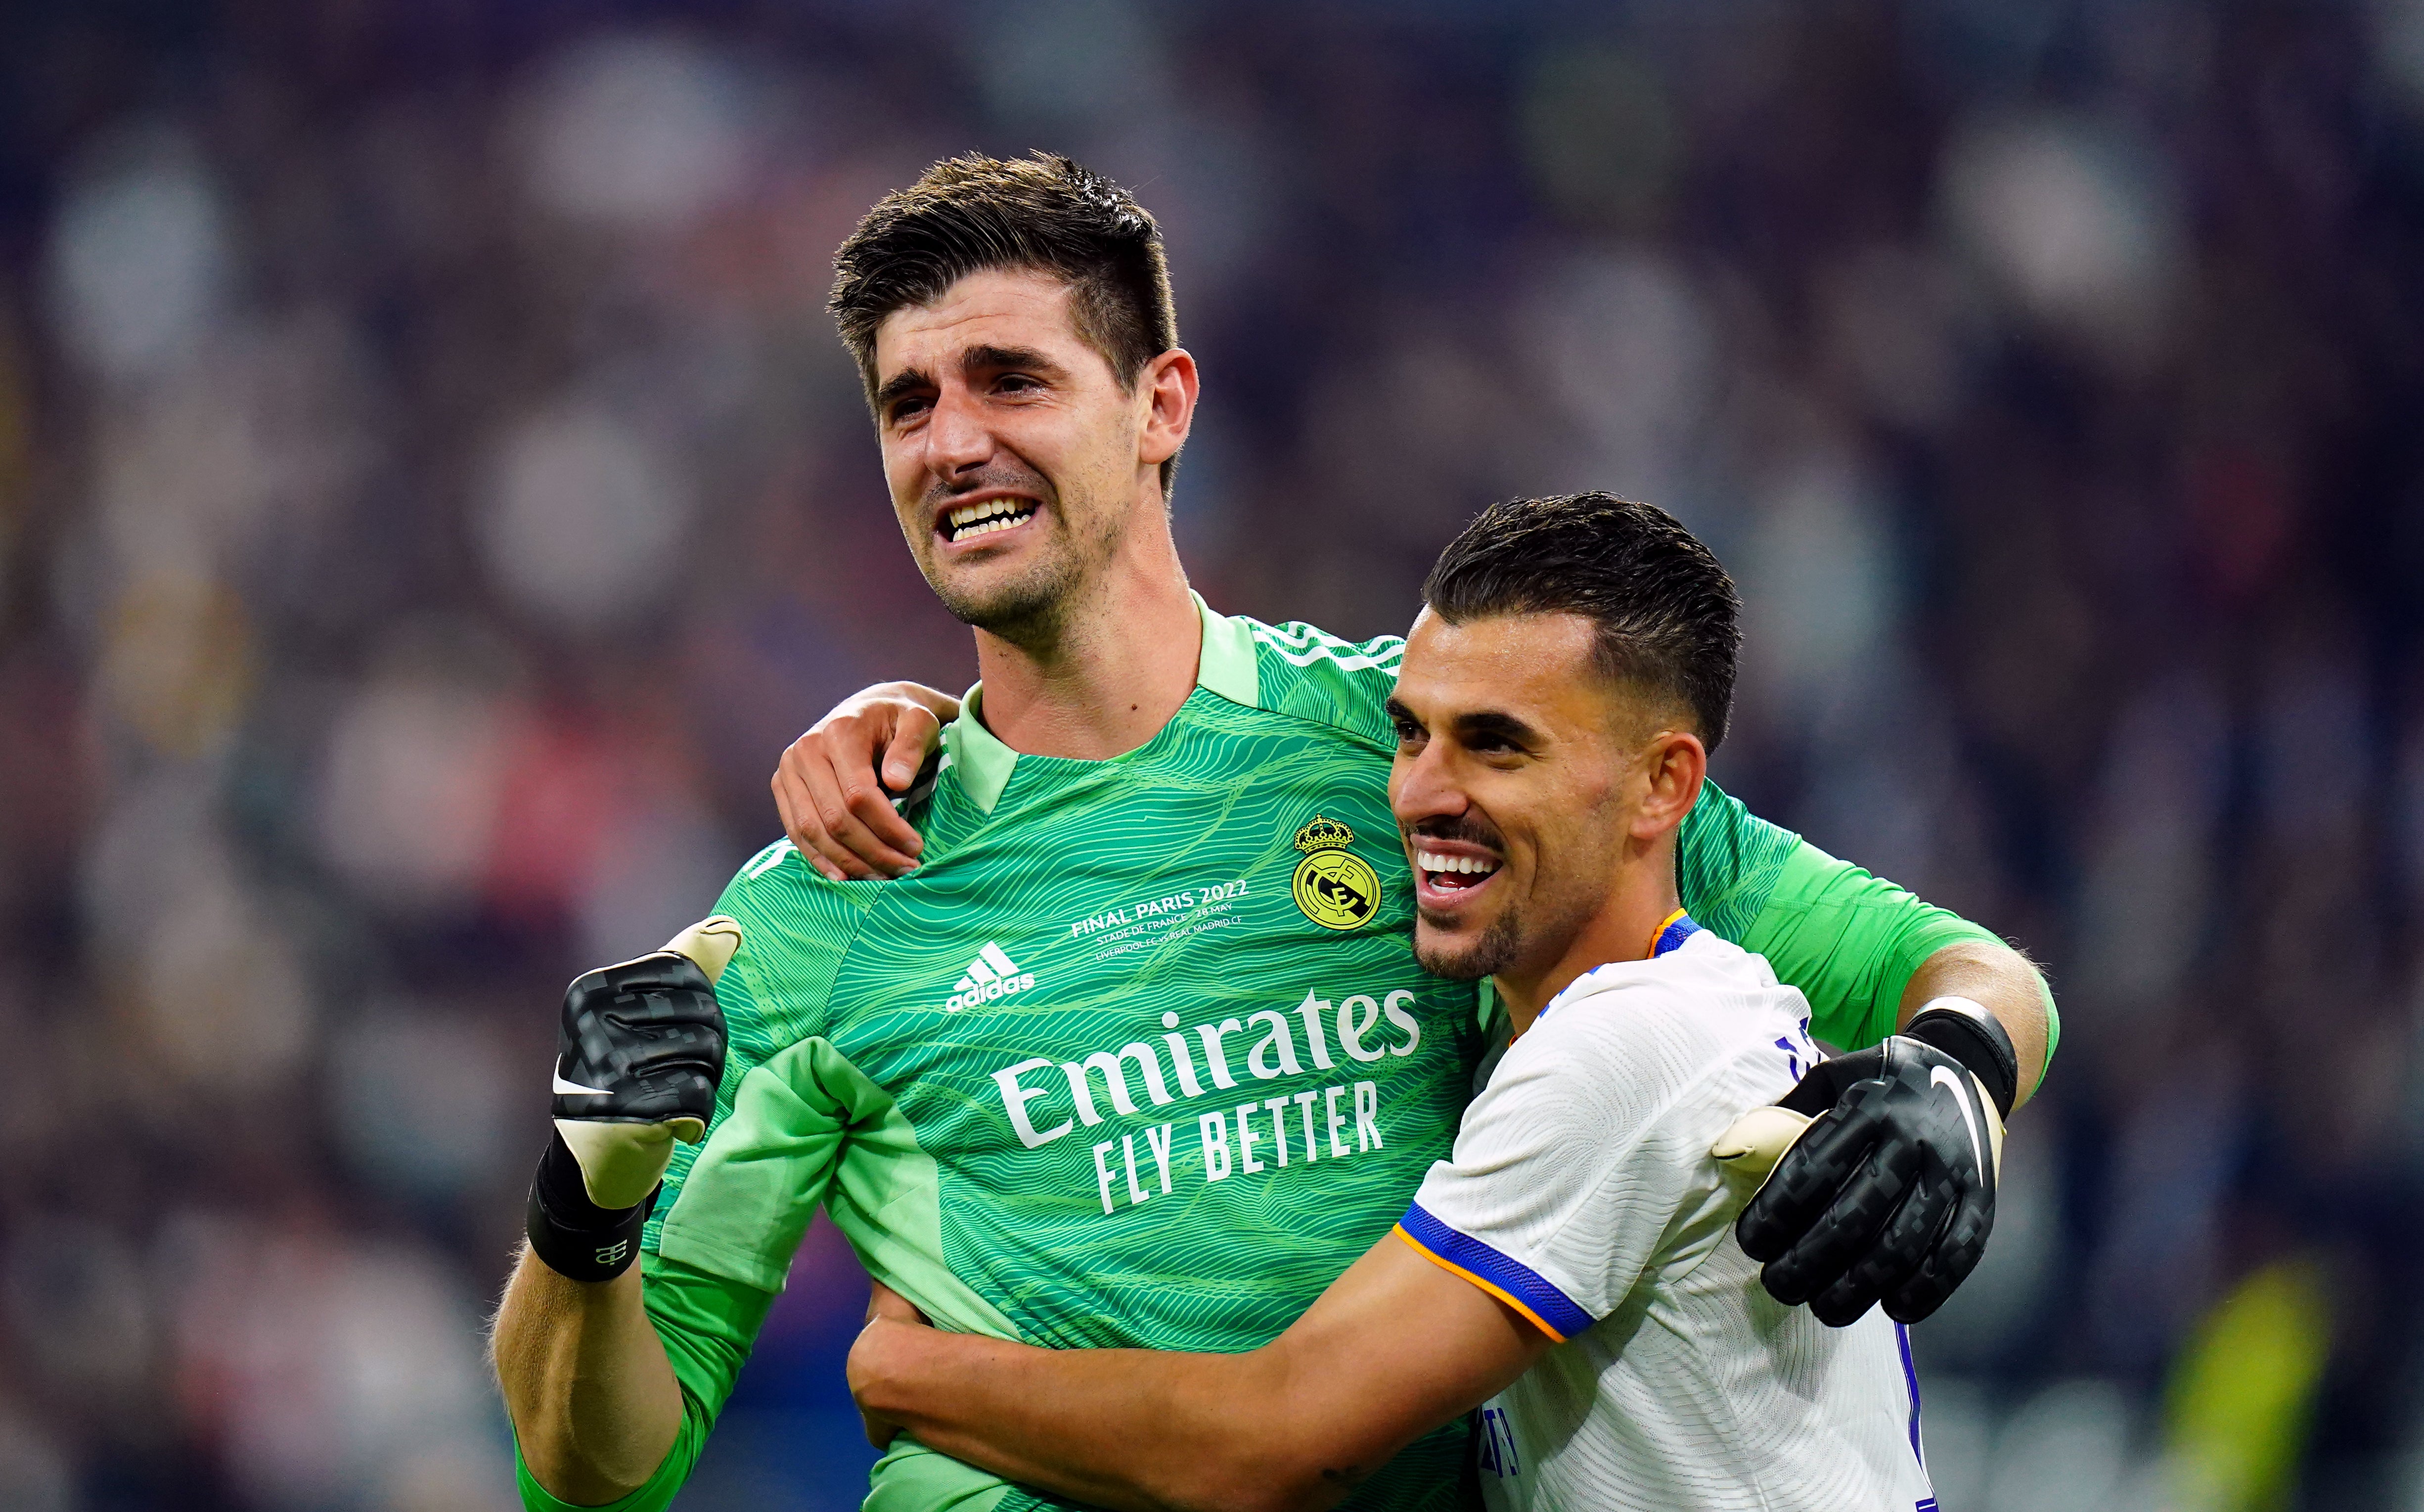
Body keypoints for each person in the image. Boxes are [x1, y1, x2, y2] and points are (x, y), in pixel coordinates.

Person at [491, 153, 2048, 1512]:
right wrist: (586, 1214)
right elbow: (601, 1468)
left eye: (1010, 382)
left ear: (1161, 403)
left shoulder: (1429, 766)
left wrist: (1951, 1075)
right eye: (908, 404)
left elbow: (1955, 966)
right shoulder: (829, 896)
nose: (949, 441)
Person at [845, 491, 1965, 1512]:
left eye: (1496, 746)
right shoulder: (1628, 1019)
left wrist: (910, 1367)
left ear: (1663, 785)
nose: (1423, 793)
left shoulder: (1629, 1044)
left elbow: (1270, 1441)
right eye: (1409, 730)